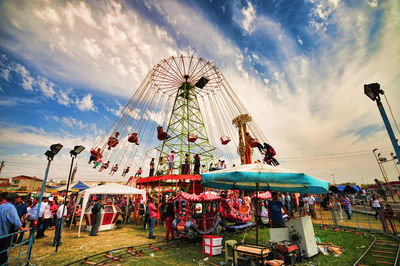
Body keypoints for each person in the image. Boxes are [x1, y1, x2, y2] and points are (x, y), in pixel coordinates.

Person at [0, 193, 28, 265]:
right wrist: (21, 227)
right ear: (14, 199)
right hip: (3, 232)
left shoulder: (1, 206)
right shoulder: (11, 207)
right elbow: (15, 218)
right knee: (3, 250)